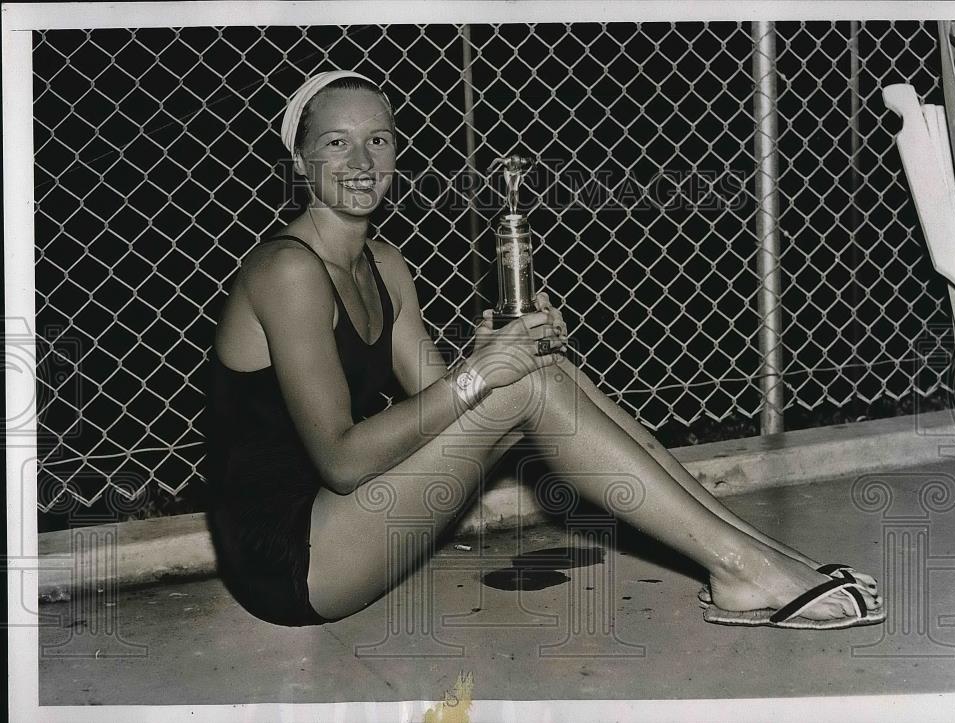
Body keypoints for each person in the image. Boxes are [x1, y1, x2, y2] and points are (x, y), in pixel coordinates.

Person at [205, 70, 883, 630]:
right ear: (300, 161)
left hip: (349, 523)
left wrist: (498, 352)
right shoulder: (287, 272)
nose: (361, 163)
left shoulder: (386, 263)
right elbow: (345, 458)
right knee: (523, 384)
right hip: (291, 555)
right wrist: (482, 376)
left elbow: (442, 400)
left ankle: (759, 555)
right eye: (336, 144)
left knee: (541, 368)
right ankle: (744, 568)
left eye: (377, 140)